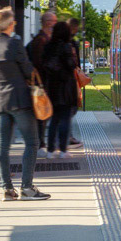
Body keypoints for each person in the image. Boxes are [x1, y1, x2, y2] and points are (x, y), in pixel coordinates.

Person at [0, 7, 50, 201]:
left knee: (1, 147)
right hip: (19, 99)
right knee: (32, 142)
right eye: (14, 22)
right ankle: (27, 188)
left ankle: (7, 190)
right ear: (9, 25)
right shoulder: (14, 43)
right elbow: (28, 70)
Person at [42, 21, 79, 158]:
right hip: (66, 88)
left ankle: (51, 150)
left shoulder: (48, 47)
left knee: (54, 120)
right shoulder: (67, 47)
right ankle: (63, 149)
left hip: (52, 87)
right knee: (65, 119)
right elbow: (71, 66)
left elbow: (45, 65)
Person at [27, 12, 57, 154]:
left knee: (43, 114)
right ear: (48, 22)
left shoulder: (43, 39)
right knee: (41, 114)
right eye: (54, 21)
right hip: (42, 85)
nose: (55, 23)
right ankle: (40, 144)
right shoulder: (41, 41)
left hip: (43, 84)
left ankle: (40, 143)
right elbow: (41, 64)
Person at [66, 17, 84, 148]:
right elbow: (72, 63)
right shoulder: (69, 43)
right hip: (69, 82)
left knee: (70, 110)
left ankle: (67, 137)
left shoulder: (71, 42)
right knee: (69, 110)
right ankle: (66, 138)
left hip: (70, 82)